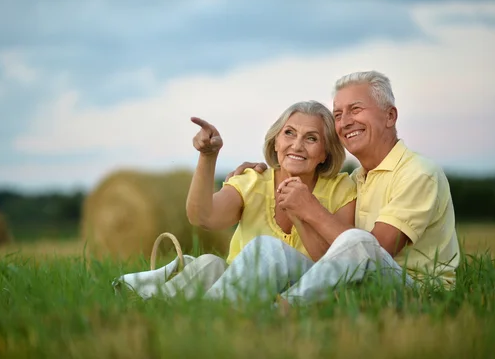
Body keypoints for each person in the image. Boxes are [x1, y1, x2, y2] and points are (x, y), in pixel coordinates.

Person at [203, 70, 461, 306]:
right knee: (268, 251)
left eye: (356, 109)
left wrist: (309, 209)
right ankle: (213, 311)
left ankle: (284, 308)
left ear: (390, 116)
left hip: (418, 294)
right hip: (360, 286)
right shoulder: (358, 178)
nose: (345, 121)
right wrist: (272, 169)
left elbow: (372, 253)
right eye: (338, 114)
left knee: (360, 242)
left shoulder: (418, 174)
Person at [113, 100, 357, 300]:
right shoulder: (253, 181)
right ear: (276, 142)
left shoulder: (341, 189)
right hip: (242, 288)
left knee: (268, 251)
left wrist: (302, 212)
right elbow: (201, 216)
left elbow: (336, 263)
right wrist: (208, 157)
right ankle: (154, 303)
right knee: (209, 263)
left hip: (307, 289)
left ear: (325, 152)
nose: (297, 145)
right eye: (289, 133)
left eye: (311, 138)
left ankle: (207, 312)